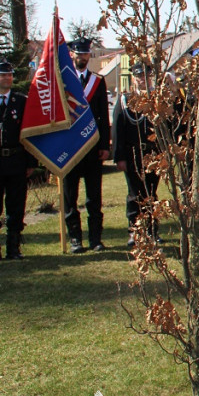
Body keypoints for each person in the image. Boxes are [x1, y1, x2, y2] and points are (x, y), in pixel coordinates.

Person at [64, 38, 111, 253]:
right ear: (71, 54)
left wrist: (104, 145)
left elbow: (102, 115)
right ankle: (75, 239)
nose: (82, 57)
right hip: (70, 149)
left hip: (92, 148)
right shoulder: (63, 81)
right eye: (78, 53)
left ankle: (95, 239)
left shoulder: (97, 82)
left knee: (94, 198)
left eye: (85, 54)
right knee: (69, 197)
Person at [112, 63, 162, 248]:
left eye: (146, 75)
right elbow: (118, 129)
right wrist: (119, 157)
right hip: (133, 153)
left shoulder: (156, 98)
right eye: (139, 76)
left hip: (153, 153)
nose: (142, 79)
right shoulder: (126, 100)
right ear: (134, 77)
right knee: (135, 194)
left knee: (151, 192)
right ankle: (134, 230)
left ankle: (152, 230)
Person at [0, 59, 36, 260]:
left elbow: (30, 133)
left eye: (9, 75)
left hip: (16, 159)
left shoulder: (21, 101)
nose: (7, 78)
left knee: (16, 206)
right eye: (3, 75)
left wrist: (31, 162)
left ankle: (13, 247)